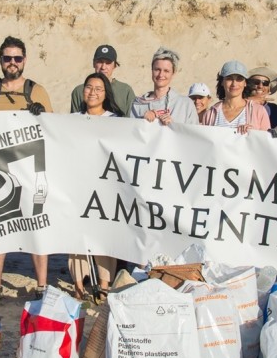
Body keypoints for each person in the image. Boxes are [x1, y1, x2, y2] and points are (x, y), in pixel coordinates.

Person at [0, 36, 53, 309]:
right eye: (8, 58)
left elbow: (53, 131)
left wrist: (41, 114)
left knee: (36, 227)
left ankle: (41, 286)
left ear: (25, 60)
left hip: (29, 171)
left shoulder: (36, 90)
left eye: (17, 58)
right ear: (1, 61)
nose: (13, 63)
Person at [69, 73, 120, 299]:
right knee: (76, 237)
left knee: (104, 238)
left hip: (105, 187)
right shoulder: (72, 120)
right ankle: (79, 286)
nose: (92, 92)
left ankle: (104, 285)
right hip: (78, 184)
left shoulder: (115, 120)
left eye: (98, 89)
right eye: (88, 87)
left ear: (105, 93)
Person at [130, 47, 199, 126]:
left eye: (166, 71)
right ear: (152, 70)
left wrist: (173, 126)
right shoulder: (137, 104)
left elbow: (193, 135)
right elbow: (131, 134)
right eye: (157, 69)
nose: (161, 75)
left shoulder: (185, 104)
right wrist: (142, 122)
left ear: (173, 73)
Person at [200, 60, 271, 133]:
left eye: (239, 79)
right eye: (229, 78)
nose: (234, 84)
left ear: (245, 83)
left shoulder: (259, 111)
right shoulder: (210, 114)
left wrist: (252, 133)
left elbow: (266, 142)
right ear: (222, 82)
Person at [70, 44, 135, 116]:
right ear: (94, 63)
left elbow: (131, 120)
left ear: (115, 65)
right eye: (100, 62)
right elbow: (75, 121)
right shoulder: (79, 91)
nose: (103, 67)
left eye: (108, 63)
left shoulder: (125, 90)